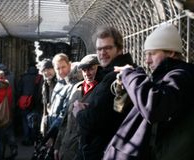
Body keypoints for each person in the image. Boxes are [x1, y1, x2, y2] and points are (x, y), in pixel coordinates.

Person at [103, 23, 194, 160]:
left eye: (152, 54)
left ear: (171, 52)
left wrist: (131, 75)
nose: (147, 61)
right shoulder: (168, 75)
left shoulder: (181, 75)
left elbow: (154, 107)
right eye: (146, 54)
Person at [72, 26, 134, 160]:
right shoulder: (109, 75)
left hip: (106, 151)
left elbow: (98, 121)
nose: (102, 52)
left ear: (119, 49)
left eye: (108, 48)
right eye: (99, 49)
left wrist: (79, 112)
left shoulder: (116, 76)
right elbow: (111, 111)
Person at [53, 54, 100, 160]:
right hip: (66, 149)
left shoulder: (101, 91)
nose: (87, 73)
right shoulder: (76, 88)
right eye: (84, 70)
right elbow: (65, 120)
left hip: (83, 153)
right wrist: (58, 145)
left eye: (91, 69)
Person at [17, 65, 43, 146]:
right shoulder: (39, 77)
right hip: (35, 103)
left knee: (25, 121)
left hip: (25, 102)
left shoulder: (23, 77)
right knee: (34, 121)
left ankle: (26, 138)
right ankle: (33, 139)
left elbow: (19, 90)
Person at [39, 58, 57, 137]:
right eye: (44, 70)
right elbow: (45, 105)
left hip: (57, 119)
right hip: (49, 117)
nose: (46, 72)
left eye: (49, 69)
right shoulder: (45, 84)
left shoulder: (59, 83)